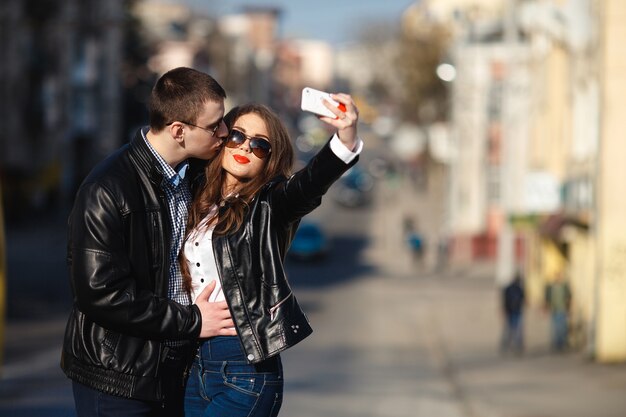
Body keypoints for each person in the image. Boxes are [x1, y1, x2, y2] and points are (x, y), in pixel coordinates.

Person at [61, 67, 238, 417]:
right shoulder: (107, 188)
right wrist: (192, 320)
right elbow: (101, 294)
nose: (224, 132)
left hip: (176, 372)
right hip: (118, 379)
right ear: (179, 131)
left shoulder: (194, 175)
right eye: (215, 125)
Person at [181, 97, 362, 417]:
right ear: (221, 139)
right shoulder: (193, 197)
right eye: (237, 136)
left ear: (269, 159)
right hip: (188, 363)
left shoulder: (270, 205)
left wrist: (344, 138)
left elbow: (308, 185)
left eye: (260, 145)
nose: (245, 148)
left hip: (242, 369)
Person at [544, 271, 572, 352]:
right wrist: (547, 306)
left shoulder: (564, 286)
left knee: (562, 328)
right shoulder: (551, 287)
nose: (557, 278)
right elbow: (547, 297)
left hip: (562, 309)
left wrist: (568, 307)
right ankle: (557, 344)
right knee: (555, 328)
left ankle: (562, 344)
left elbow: (569, 297)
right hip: (554, 309)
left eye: (558, 276)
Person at [500, 271, 525, 355]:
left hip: (517, 311)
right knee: (510, 330)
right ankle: (506, 346)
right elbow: (505, 300)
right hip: (511, 311)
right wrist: (504, 310)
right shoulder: (509, 289)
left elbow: (523, 299)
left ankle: (517, 347)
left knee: (516, 330)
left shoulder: (519, 289)